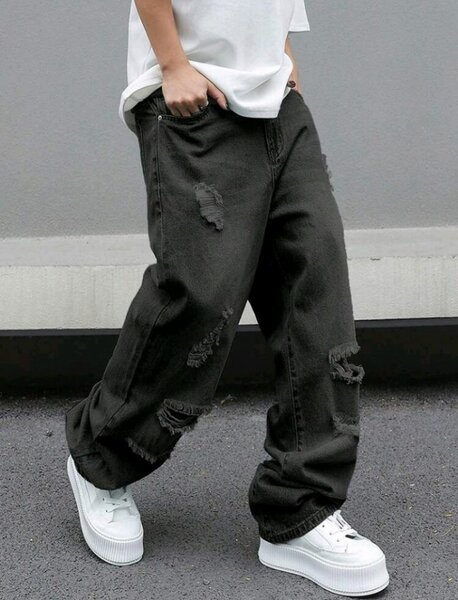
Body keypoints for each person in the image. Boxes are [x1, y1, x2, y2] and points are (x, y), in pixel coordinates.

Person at [65, 1, 390, 596]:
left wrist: (283, 51)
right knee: (201, 297)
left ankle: (300, 510)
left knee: (317, 286)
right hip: (193, 97)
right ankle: (100, 456)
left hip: (277, 101)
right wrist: (172, 64)